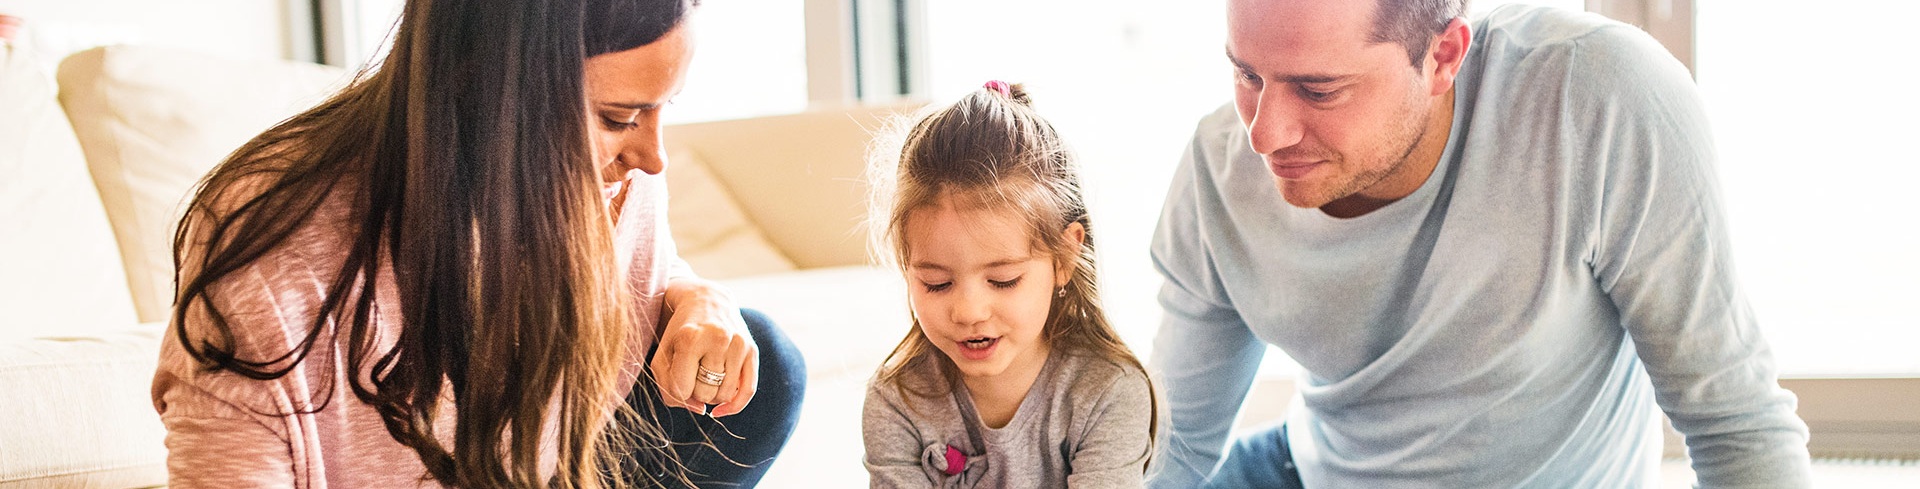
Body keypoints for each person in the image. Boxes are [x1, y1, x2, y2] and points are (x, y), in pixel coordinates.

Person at [1147, 1, 1812, 488]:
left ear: (1443, 57)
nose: (1264, 134)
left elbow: (1737, 426)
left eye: (1319, 89)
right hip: (1307, 467)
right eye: (1247, 76)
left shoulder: (1598, 100)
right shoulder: (1220, 166)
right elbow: (1172, 448)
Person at [150, 0, 805, 487]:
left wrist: (694, 294)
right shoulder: (272, 245)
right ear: (480, 80)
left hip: (543, 468)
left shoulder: (613, 182)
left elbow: (641, 276)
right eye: (619, 118)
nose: (654, 157)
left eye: (664, 108)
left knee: (763, 359)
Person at [861, 82, 1156, 488]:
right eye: (937, 283)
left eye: (1003, 280)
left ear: (1064, 259)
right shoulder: (896, 400)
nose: (968, 311)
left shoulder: (1107, 394)